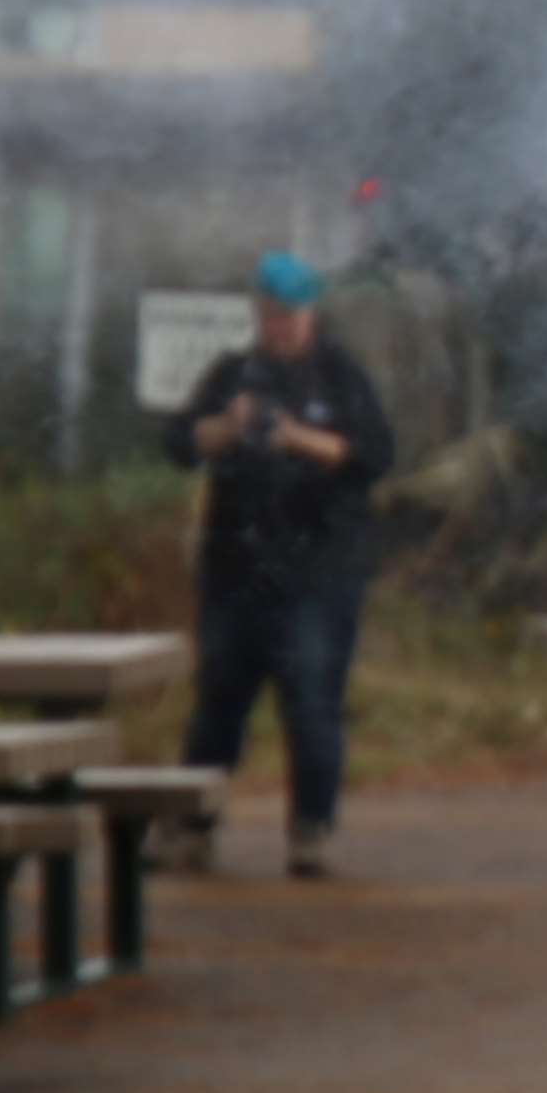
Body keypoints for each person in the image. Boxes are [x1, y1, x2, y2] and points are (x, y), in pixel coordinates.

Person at [166, 250, 394, 878]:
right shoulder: (233, 373)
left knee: (312, 701)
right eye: (269, 316)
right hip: (236, 569)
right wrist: (227, 428)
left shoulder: (340, 374)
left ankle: (311, 829)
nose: (280, 328)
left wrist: (296, 437)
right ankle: (192, 826)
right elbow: (180, 443)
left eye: (290, 316)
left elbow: (375, 455)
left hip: (319, 573)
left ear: (310, 313)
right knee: (218, 704)